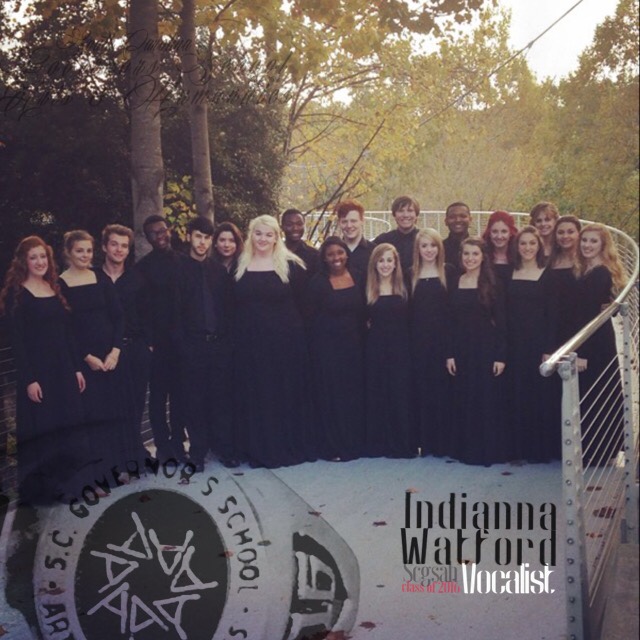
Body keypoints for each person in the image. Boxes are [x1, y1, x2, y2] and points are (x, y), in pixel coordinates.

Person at [0, 237, 85, 503]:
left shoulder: (53, 287)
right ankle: (46, 490)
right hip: (39, 375)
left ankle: (69, 484)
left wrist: (76, 368)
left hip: (64, 370)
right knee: (45, 432)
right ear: (23, 262)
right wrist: (29, 379)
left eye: (43, 256)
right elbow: (18, 343)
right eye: (33, 257)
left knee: (67, 427)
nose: (39, 262)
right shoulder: (17, 295)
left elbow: (67, 333)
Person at [233, 214, 315, 467]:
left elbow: (305, 307)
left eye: (269, 234)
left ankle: (285, 447)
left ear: (277, 237)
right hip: (251, 346)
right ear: (251, 235)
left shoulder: (292, 266)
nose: (263, 239)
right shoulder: (240, 265)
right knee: (257, 397)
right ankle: (258, 450)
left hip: (285, 346)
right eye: (258, 233)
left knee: (282, 396)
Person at [59, 230, 129, 489]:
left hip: (110, 361)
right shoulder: (60, 284)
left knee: (112, 415)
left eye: (89, 250)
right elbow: (65, 329)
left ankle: (114, 469)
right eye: (80, 251)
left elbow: (118, 316)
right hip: (86, 364)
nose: (85, 255)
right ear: (68, 252)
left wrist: (115, 351)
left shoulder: (100, 278)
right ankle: (96, 476)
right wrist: (86, 357)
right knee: (91, 420)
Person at [176, 216, 235, 470]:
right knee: (194, 400)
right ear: (189, 236)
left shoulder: (218, 271)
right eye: (198, 236)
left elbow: (227, 309)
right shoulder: (178, 269)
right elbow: (173, 312)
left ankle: (224, 449)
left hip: (218, 344)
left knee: (221, 399)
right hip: (192, 344)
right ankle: (197, 453)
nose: (202, 242)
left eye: (207, 238)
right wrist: (182, 345)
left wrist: (226, 343)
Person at [446, 238, 509, 466]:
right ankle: (466, 449)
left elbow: (502, 321)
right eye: (466, 254)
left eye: (475, 254)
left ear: (483, 257)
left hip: (485, 348)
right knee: (464, 398)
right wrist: (450, 353)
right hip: (461, 348)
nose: (470, 258)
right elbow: (450, 321)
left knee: (485, 399)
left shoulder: (493, 283)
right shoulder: (456, 281)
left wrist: (501, 355)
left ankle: (487, 451)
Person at [305, 236, 367, 461]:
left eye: (340, 253)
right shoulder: (318, 282)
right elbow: (310, 317)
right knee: (332, 397)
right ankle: (333, 447)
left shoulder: (358, 276)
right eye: (330, 254)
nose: (336, 258)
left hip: (354, 347)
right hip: (327, 349)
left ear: (346, 254)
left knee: (353, 395)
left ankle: (354, 443)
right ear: (324, 258)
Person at [574, 223, 627, 466]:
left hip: (595, 341)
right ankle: (598, 448)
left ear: (603, 245)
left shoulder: (600, 273)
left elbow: (589, 315)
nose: (587, 245)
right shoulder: (587, 268)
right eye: (584, 240)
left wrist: (582, 352)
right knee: (594, 392)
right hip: (594, 337)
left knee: (598, 391)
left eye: (593, 241)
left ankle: (600, 451)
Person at [135, 214, 186, 461]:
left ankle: (178, 444)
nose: (160, 236)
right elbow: (140, 309)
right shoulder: (142, 268)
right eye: (154, 233)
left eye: (163, 230)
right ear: (147, 238)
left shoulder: (184, 262)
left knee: (179, 397)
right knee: (157, 398)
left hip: (182, 342)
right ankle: (163, 448)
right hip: (157, 344)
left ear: (169, 230)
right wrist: (148, 341)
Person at [506, 227, 557, 462]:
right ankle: (517, 448)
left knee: (538, 396)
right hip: (513, 343)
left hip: (537, 344)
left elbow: (552, 314)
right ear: (517, 247)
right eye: (523, 243)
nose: (527, 248)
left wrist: (548, 349)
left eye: (532, 243)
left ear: (539, 246)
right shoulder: (510, 272)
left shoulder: (548, 274)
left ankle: (539, 449)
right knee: (515, 394)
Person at [101, 224, 151, 463]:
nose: (119, 249)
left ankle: (134, 455)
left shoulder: (137, 278)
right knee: (108, 407)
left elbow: (149, 313)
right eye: (114, 244)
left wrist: (148, 345)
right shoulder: (93, 278)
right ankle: (111, 459)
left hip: (134, 349)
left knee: (135, 405)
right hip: (105, 353)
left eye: (124, 246)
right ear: (104, 247)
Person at [408, 229, 454, 458]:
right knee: (421, 391)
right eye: (424, 246)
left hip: (443, 342)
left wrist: (451, 348)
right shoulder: (410, 274)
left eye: (433, 245)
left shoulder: (449, 272)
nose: (429, 250)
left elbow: (454, 312)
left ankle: (444, 442)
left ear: (439, 247)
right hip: (417, 342)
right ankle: (424, 443)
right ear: (417, 249)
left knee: (442, 392)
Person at [364, 243, 413, 458]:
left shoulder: (405, 286)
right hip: (375, 348)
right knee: (378, 393)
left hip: (400, 347)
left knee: (399, 394)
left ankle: (401, 443)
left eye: (389, 260)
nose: (385, 265)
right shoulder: (367, 288)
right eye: (381, 260)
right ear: (374, 264)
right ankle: (379, 443)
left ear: (396, 263)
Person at [373, 196, 420, 272]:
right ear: (394, 215)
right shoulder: (383, 240)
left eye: (410, 210)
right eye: (401, 211)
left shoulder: (425, 240)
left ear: (416, 215)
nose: (405, 215)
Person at [334, 199, 374, 276]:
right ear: (339, 223)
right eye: (344, 221)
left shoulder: (374, 251)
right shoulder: (332, 254)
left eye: (353, 221)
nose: (349, 226)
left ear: (362, 221)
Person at [482, 210, 518, 288]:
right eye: (495, 231)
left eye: (504, 231)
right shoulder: (482, 256)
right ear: (489, 233)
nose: (499, 236)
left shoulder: (519, 255)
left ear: (511, 233)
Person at [281, 208, 320, 277]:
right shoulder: (274, 253)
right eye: (289, 224)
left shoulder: (314, 255)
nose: (295, 228)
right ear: (282, 227)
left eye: (299, 224)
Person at [442, 201, 471, 270]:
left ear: (470, 220)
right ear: (446, 221)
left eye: (463, 216)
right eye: (452, 217)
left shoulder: (479, 247)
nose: (458, 220)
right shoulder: (439, 249)